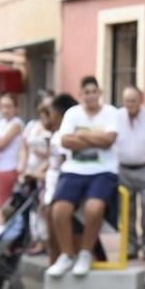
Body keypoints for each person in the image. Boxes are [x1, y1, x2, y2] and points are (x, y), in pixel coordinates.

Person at [46, 76, 118, 278]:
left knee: (94, 208)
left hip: (103, 170)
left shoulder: (111, 112)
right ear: (81, 95)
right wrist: (96, 139)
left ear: (99, 93)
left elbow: (109, 140)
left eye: (94, 91)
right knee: (59, 210)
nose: (91, 96)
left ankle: (85, 253)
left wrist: (81, 136)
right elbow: (65, 141)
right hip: (74, 169)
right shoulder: (72, 113)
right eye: (86, 92)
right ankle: (67, 255)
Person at [115, 85, 145, 262]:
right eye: (126, 101)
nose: (129, 104)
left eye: (133, 100)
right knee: (126, 211)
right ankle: (130, 246)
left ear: (141, 100)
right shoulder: (117, 116)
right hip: (123, 169)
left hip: (144, 168)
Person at [43, 93, 77, 268]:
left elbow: (65, 161)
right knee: (52, 236)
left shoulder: (65, 135)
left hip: (60, 187)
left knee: (56, 235)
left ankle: (57, 265)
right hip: (51, 185)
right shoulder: (56, 133)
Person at [19, 101, 51, 255]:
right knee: (32, 206)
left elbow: (53, 154)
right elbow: (24, 146)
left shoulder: (51, 132)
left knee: (42, 205)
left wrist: (42, 160)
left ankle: (45, 240)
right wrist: (23, 167)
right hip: (31, 171)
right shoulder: (32, 126)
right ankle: (36, 238)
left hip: (43, 172)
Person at [0, 94, 24, 211]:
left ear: (16, 108)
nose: (5, 110)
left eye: (8, 106)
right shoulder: (0, 123)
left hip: (8, 168)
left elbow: (1, 145)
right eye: (2, 106)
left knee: (4, 206)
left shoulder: (17, 123)